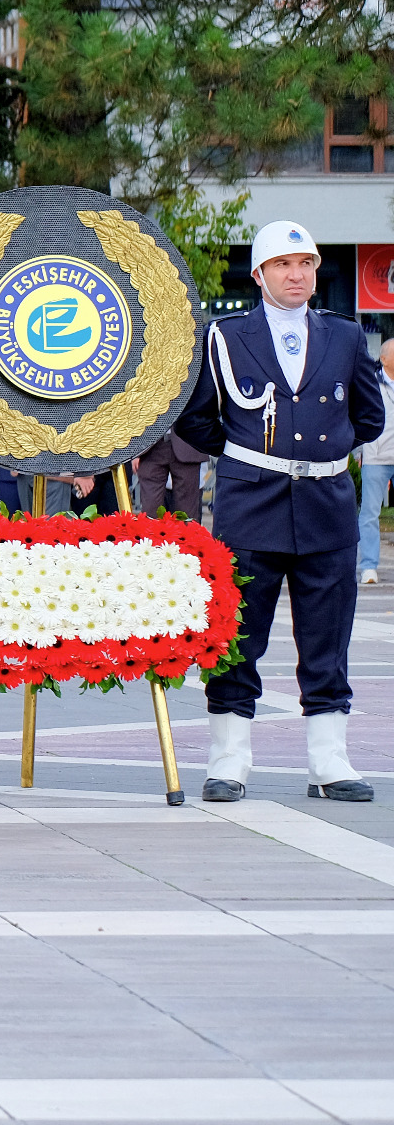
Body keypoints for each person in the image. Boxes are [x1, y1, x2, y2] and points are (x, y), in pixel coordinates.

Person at [176, 220, 380, 802]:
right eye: (284, 265)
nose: (297, 275)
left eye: (307, 265)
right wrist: (246, 458)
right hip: (252, 506)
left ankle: (329, 760)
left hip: (325, 506)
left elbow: (369, 417)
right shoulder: (226, 335)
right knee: (238, 634)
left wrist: (325, 448)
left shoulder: (344, 335)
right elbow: (196, 418)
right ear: (261, 274)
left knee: (327, 637)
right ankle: (229, 760)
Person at [356, 342, 394, 584]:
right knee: (370, 513)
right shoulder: (371, 383)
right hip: (376, 457)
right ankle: (369, 566)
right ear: (384, 358)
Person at [134, 430, 206, 526]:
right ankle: (150, 541)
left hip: (188, 440)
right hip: (148, 443)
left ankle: (186, 539)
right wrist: (134, 450)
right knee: (150, 515)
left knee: (187, 518)